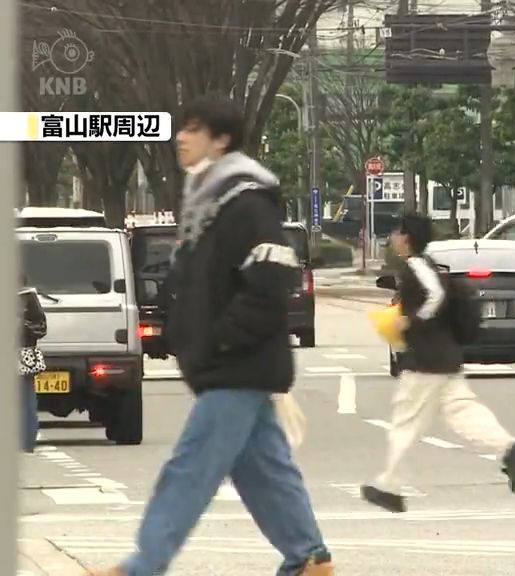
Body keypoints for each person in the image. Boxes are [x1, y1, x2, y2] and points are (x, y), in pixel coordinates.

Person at [90, 96, 333, 576]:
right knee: (263, 470)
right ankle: (308, 558)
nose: (181, 137)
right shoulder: (206, 202)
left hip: (237, 364)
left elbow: (274, 274)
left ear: (221, 140)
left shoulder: (245, 201)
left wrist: (222, 338)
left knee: (189, 468)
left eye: (194, 129)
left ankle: (144, 565)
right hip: (227, 362)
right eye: (182, 128)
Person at [360, 213, 515, 514]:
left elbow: (435, 295)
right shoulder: (429, 265)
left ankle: (390, 486)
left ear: (407, 237)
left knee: (405, 421)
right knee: (463, 411)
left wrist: (410, 320)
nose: (393, 239)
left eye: (397, 233)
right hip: (445, 357)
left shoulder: (415, 265)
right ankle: (508, 447)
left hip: (425, 360)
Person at [18, 273, 47, 453]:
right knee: (26, 399)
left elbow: (40, 327)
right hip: (23, 356)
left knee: (26, 400)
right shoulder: (28, 297)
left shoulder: (27, 297)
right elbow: (41, 327)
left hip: (20, 355)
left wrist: (21, 325)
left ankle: (26, 441)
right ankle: (25, 442)